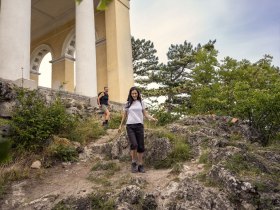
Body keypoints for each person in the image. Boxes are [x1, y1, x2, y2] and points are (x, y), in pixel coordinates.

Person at [118, 87, 157, 173]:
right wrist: (120, 126)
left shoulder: (141, 102)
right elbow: (124, 116)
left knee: (141, 146)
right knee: (134, 144)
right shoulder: (127, 103)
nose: (134, 95)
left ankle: (140, 164)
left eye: (136, 93)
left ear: (138, 94)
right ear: (130, 94)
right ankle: (133, 163)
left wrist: (152, 119)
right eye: (133, 94)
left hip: (139, 125)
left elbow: (145, 114)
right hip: (130, 126)